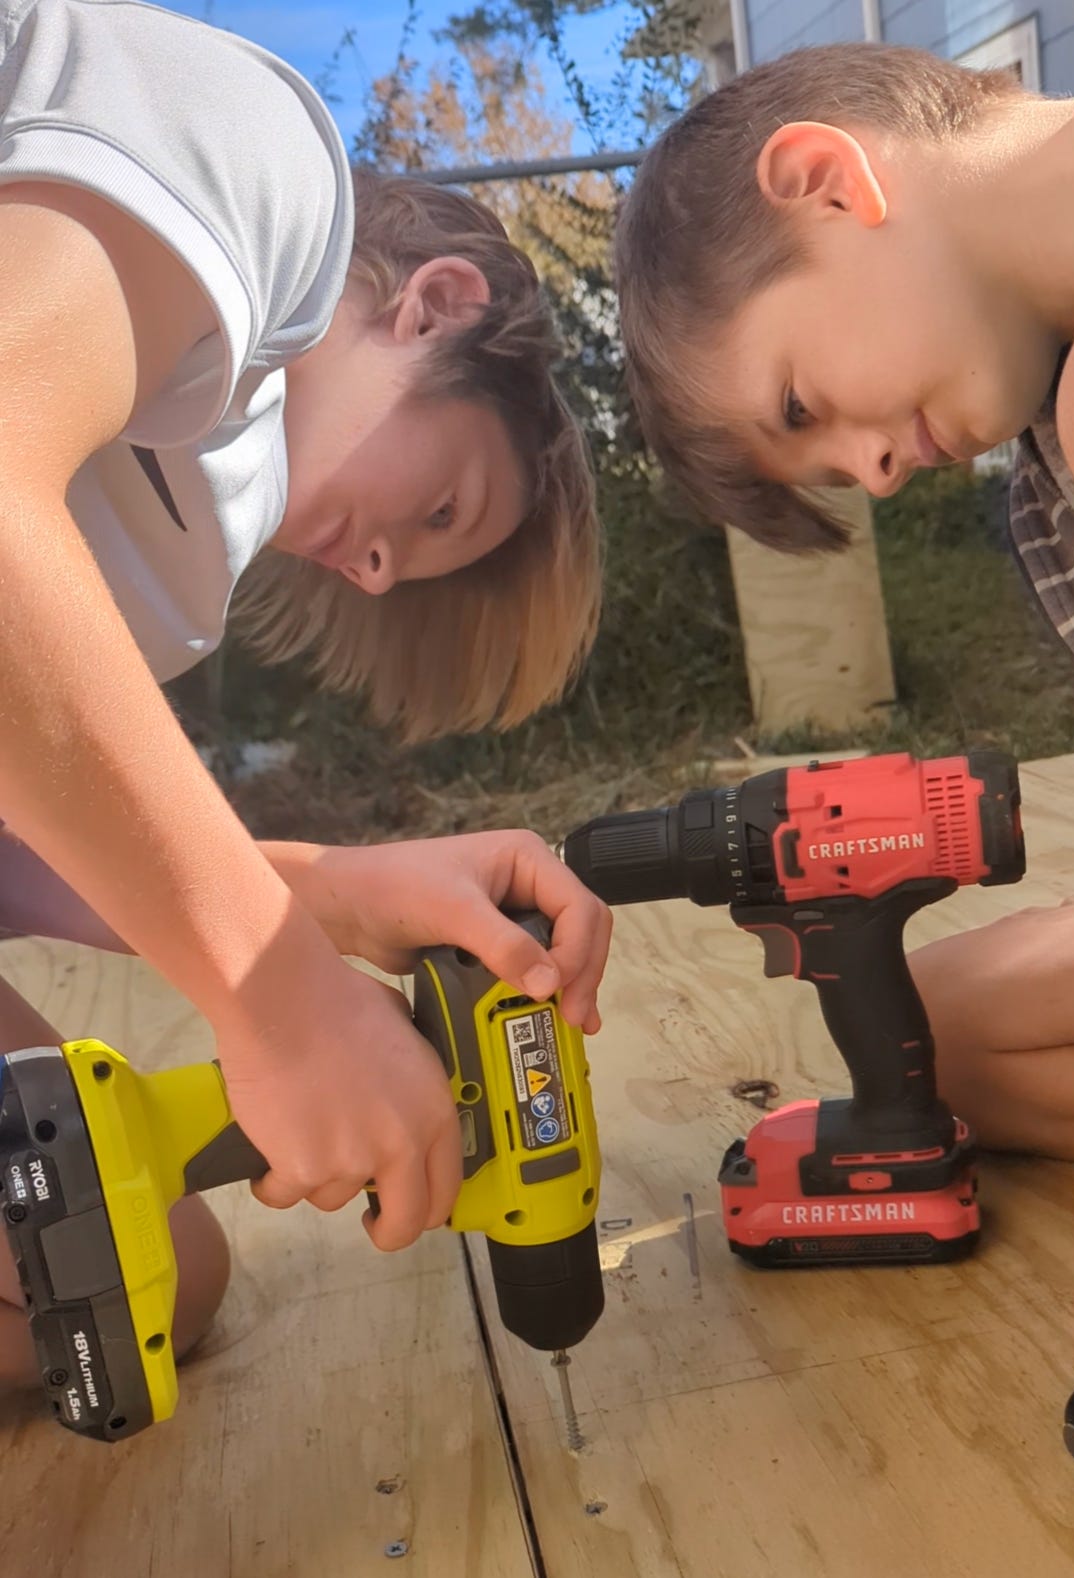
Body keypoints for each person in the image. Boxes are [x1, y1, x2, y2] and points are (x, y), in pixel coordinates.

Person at [0, 0, 611, 1388]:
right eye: (446, 504)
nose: (384, 573)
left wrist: (321, 895)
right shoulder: (265, 160)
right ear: (436, 301)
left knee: (118, 1276)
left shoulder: (163, 570)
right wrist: (270, 984)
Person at [613, 41, 1074, 1160]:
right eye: (830, 467)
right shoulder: (1044, 494)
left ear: (825, 180)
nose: (874, 473)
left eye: (799, 402)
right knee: (946, 1035)